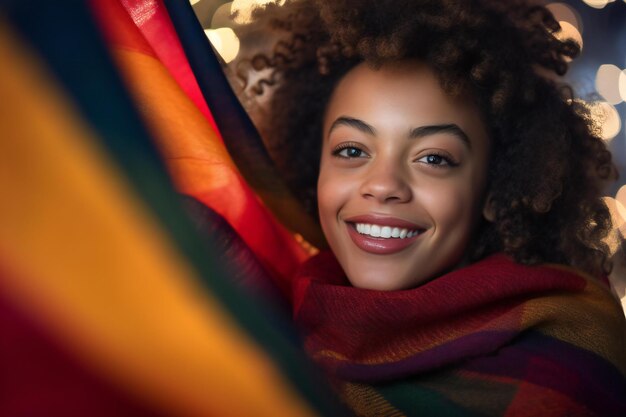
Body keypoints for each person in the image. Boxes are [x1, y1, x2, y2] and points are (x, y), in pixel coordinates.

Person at [239, 0, 626, 415]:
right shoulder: (260, 323)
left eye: (433, 158)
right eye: (351, 149)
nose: (383, 185)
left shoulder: (569, 358)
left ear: (495, 191)